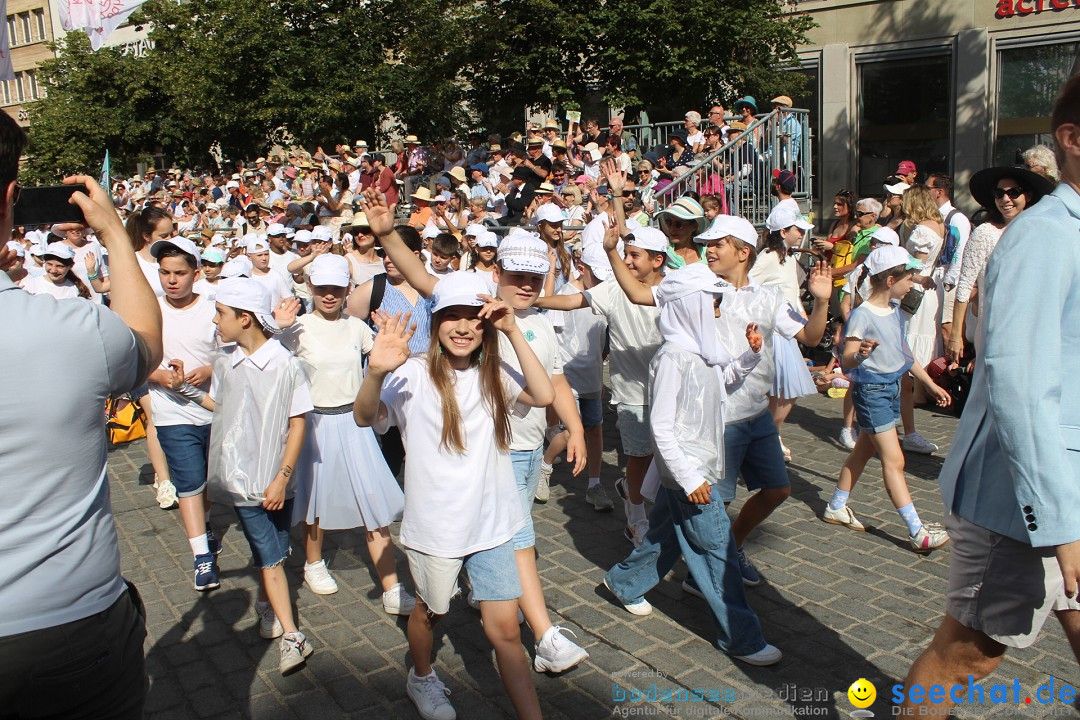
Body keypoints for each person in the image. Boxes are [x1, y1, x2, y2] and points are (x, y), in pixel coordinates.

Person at [899, 76, 1080, 717]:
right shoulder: (1047, 235)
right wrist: (1061, 522)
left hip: (1061, 488)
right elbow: (1023, 388)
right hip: (1022, 500)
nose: (1005, 198)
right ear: (1072, 139)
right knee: (967, 656)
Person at [360, 189, 591, 678]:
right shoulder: (472, 306)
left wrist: (575, 429)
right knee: (505, 546)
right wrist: (384, 232)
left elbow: (553, 386)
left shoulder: (541, 326)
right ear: (497, 275)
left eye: (535, 278)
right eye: (516, 276)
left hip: (523, 448)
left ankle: (525, 623)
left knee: (514, 541)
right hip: (467, 461)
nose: (526, 286)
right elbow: (426, 282)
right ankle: (535, 630)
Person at [1, 148, 163, 719]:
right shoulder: (73, 330)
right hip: (63, 624)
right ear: (9, 203)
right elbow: (144, 338)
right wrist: (117, 235)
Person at [353, 274, 554, 720]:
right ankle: (421, 675)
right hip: (436, 527)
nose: (462, 328)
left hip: (494, 524)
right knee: (430, 615)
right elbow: (366, 416)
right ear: (435, 321)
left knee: (504, 630)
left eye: (474, 319)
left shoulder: (495, 372)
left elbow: (544, 395)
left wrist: (513, 329)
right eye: (451, 318)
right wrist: (376, 370)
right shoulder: (412, 372)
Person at [603, 214, 832, 586]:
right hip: (716, 420)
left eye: (717, 244)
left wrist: (822, 302)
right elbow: (637, 293)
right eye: (708, 244)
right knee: (707, 507)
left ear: (743, 252)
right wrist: (612, 252)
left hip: (756, 414)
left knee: (777, 490)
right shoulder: (695, 285)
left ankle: (728, 549)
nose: (708, 250)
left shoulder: (768, 297)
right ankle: (693, 572)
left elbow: (809, 336)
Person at [603, 263, 780, 666]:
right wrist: (688, 477)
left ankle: (625, 582)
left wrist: (751, 356)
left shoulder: (699, 352)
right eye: (712, 303)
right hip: (690, 472)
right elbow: (661, 428)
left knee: (667, 533)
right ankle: (741, 637)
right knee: (715, 547)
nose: (717, 312)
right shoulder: (673, 359)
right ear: (690, 309)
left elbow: (723, 384)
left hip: (696, 467)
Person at [277, 254, 416, 613]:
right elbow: (273, 366)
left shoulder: (356, 327)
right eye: (321, 288)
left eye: (335, 289)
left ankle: (390, 585)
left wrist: (392, 342)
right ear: (310, 287)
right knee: (315, 499)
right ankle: (313, 562)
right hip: (315, 424)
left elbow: (386, 357)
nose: (328, 295)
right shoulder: (298, 327)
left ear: (346, 290)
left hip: (355, 423)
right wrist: (278, 331)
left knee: (372, 500)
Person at [206, 278, 315, 675]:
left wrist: (282, 478)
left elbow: (298, 422)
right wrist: (183, 387)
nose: (216, 321)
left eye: (221, 313)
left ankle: (269, 605)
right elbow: (220, 405)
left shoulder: (285, 364)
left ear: (245, 318)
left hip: (277, 480)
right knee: (270, 557)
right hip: (242, 480)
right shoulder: (226, 359)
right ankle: (293, 635)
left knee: (278, 547)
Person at [535, 225, 665, 539]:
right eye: (627, 255)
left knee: (660, 456)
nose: (629, 261)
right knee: (637, 456)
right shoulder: (612, 289)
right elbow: (570, 302)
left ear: (658, 260)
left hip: (669, 388)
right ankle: (635, 518)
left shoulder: (674, 286)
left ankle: (633, 492)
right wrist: (529, 303)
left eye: (635, 255)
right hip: (632, 391)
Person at [822, 245, 952, 552]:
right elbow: (849, 359)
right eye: (909, 276)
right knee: (895, 460)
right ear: (891, 280)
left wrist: (931, 385)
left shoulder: (895, 312)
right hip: (872, 393)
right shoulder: (862, 315)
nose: (913, 282)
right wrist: (861, 354)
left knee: (864, 450)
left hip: (891, 390)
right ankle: (916, 531)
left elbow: (905, 355)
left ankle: (836, 505)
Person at [144, 236, 222, 592]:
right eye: (164, 273)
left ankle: (205, 526)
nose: (171, 280)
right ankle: (201, 556)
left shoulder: (212, 308)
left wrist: (208, 370)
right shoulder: (150, 309)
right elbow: (132, 360)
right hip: (169, 410)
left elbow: (232, 352)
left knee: (205, 478)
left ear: (196, 273)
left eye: (179, 273)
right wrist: (160, 376)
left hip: (212, 408)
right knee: (188, 482)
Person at [945, 166, 1053, 363]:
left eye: (1014, 193)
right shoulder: (985, 233)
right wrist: (955, 335)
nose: (1006, 199)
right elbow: (964, 286)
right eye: (999, 193)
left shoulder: (1037, 233)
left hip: (1031, 328)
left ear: (1027, 196)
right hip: (992, 327)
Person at [541, 244, 611, 509]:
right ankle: (546, 465)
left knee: (595, 428)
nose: (603, 283)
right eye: (599, 276)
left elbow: (603, 337)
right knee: (572, 431)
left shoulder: (605, 294)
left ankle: (594, 484)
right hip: (567, 375)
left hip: (593, 376)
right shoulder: (564, 295)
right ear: (583, 269)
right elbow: (554, 336)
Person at [753, 205, 817, 461]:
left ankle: (771, 434)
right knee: (784, 390)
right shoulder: (768, 256)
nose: (801, 233)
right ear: (783, 231)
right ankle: (769, 435)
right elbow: (748, 284)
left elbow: (792, 292)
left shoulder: (788, 258)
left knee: (784, 391)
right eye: (797, 229)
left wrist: (804, 316)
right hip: (774, 331)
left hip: (790, 329)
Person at [897, 185, 945, 455]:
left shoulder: (923, 230)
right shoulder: (938, 224)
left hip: (915, 290)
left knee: (906, 344)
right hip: (927, 292)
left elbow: (917, 266)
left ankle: (913, 395)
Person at [924, 173, 971, 349]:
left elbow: (960, 252)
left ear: (939, 192)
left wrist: (950, 282)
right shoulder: (931, 216)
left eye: (927, 188)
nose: (924, 192)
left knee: (947, 328)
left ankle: (950, 371)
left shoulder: (956, 218)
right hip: (934, 279)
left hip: (948, 281)